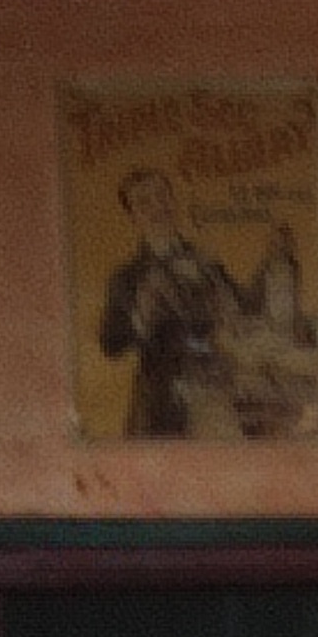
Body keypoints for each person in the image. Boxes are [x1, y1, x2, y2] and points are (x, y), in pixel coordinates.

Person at [95, 166, 234, 439]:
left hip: (213, 390)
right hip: (159, 399)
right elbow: (110, 344)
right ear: (133, 216)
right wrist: (141, 317)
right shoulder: (127, 276)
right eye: (144, 202)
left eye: (162, 195)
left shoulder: (205, 260)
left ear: (173, 199)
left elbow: (238, 309)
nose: (158, 207)